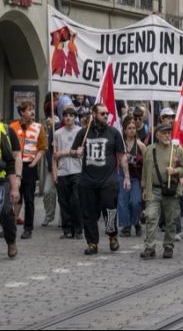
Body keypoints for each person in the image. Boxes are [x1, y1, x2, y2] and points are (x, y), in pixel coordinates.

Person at [72, 104, 130, 255]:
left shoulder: (114, 133)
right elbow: (74, 150)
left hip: (108, 180)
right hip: (88, 181)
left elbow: (121, 156)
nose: (106, 116)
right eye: (103, 113)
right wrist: (76, 152)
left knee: (109, 209)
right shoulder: (83, 133)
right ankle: (92, 243)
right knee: (89, 213)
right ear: (94, 114)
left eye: (107, 113)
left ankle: (112, 236)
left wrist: (126, 177)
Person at [140, 123, 183, 259]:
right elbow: (145, 170)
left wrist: (176, 171)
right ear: (157, 135)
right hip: (153, 189)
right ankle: (150, 247)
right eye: (164, 133)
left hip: (170, 190)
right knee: (150, 216)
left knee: (171, 219)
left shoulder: (176, 150)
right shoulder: (150, 150)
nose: (167, 135)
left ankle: (168, 245)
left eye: (169, 133)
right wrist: (144, 187)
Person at [10, 101, 47, 240]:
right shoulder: (12, 127)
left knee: (29, 198)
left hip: (30, 167)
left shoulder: (39, 127)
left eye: (33, 109)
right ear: (21, 112)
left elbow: (43, 147)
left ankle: (28, 229)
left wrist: (34, 162)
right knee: (14, 198)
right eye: (29, 109)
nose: (32, 112)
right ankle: (11, 225)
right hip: (14, 167)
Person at [52, 106, 83, 239]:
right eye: (66, 116)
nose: (68, 118)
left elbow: (81, 153)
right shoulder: (58, 133)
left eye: (71, 115)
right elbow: (54, 155)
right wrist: (54, 173)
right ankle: (67, 229)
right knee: (63, 202)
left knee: (76, 200)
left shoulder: (81, 131)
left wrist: (67, 153)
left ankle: (78, 229)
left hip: (77, 170)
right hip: (62, 171)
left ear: (75, 117)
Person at [0, 107, 20, 258]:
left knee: (5, 211)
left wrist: (15, 185)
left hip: (2, 179)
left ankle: (11, 240)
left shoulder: (7, 132)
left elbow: (14, 158)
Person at [118, 116, 145, 237]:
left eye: (134, 128)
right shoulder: (120, 144)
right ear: (124, 130)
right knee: (123, 202)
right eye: (129, 128)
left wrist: (137, 160)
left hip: (135, 176)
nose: (132, 130)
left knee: (136, 201)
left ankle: (136, 222)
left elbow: (146, 162)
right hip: (122, 175)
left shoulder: (140, 145)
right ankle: (126, 225)